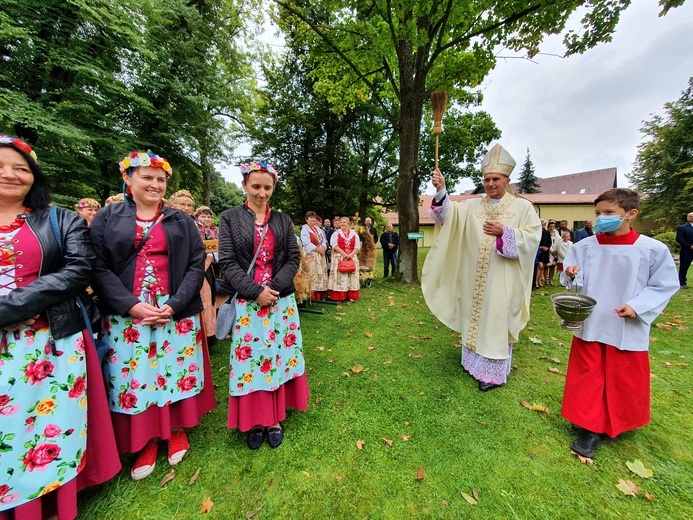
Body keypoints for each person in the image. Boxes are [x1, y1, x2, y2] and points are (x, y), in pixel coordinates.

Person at [0, 136, 120, 520]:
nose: (10, 174)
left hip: (49, 337)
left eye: (21, 167)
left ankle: (56, 496)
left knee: (50, 419)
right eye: (1, 165)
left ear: (34, 175)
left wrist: (14, 305)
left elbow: (78, 268)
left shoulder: (59, 218)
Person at [90, 151, 215, 480]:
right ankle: (145, 438)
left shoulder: (180, 220)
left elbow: (194, 264)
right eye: (147, 177)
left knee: (174, 371)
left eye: (161, 179)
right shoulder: (108, 217)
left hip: (174, 310)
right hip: (127, 313)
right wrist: (129, 304)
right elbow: (97, 266)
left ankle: (174, 430)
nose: (155, 184)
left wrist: (174, 304)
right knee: (136, 373)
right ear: (128, 179)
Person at [560, 188, 679, 459]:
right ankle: (589, 426)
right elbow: (571, 279)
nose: (601, 218)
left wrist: (637, 306)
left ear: (631, 214)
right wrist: (570, 273)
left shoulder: (652, 249)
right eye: (598, 213)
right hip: (592, 320)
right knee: (589, 371)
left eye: (609, 213)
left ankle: (620, 420)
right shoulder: (584, 246)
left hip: (626, 321)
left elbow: (664, 285)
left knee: (622, 374)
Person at [422, 143, 541, 391]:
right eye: (486, 179)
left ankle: (492, 373)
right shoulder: (474, 205)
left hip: (503, 278)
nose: (490, 183)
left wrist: (505, 232)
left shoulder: (523, 207)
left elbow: (532, 239)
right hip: (474, 278)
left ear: (507, 179)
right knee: (475, 317)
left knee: (496, 319)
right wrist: (442, 190)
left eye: (495, 178)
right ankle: (472, 364)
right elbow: (447, 215)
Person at [218, 161, 309, 449]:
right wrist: (256, 291)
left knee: (278, 357)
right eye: (256, 186)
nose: (261, 192)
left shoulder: (283, 220)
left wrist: (275, 288)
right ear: (244, 185)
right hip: (248, 303)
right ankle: (255, 419)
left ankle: (274, 418)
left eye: (267, 187)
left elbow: (293, 258)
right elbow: (228, 262)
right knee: (252, 360)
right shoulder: (229, 219)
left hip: (280, 303)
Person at [194, 205, 219, 345]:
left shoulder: (214, 231)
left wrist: (207, 263)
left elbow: (215, 252)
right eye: (203, 216)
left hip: (207, 269)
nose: (206, 219)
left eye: (208, 216)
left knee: (208, 300)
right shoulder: (193, 230)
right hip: (194, 267)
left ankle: (209, 335)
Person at [328, 216, 361, 302]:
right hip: (339, 257)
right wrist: (344, 254)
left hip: (351, 257)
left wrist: (351, 254)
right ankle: (340, 296)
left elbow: (357, 246)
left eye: (344, 222)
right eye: (341, 222)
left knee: (352, 276)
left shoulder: (354, 234)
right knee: (340, 277)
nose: (342, 224)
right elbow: (334, 245)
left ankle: (351, 295)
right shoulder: (336, 234)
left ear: (348, 224)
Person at [300, 211, 329, 300]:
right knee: (313, 273)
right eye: (311, 218)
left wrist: (323, 247)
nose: (313, 220)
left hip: (320, 254)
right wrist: (317, 249)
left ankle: (322, 294)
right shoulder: (305, 229)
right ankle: (313, 295)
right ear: (306, 219)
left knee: (321, 273)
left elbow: (324, 240)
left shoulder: (318, 229)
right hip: (312, 254)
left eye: (314, 218)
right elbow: (306, 242)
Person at [675, 212, 693, 288]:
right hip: (687, 250)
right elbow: (679, 238)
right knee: (684, 267)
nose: (692, 218)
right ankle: (682, 283)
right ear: (688, 218)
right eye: (691, 216)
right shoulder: (682, 228)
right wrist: (689, 246)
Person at [536, 219, 552, 288]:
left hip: (545, 251)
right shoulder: (536, 232)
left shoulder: (547, 233)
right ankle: (536, 281)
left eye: (543, 225)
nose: (542, 226)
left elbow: (549, 242)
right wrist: (540, 247)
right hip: (538, 251)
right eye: (541, 225)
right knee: (540, 266)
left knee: (543, 267)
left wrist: (547, 248)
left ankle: (540, 281)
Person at [545, 220, 560, 285]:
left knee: (553, 266)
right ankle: (546, 280)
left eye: (553, 226)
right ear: (548, 227)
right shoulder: (546, 233)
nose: (552, 228)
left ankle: (551, 280)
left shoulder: (556, 233)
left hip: (555, 251)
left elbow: (559, 241)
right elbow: (546, 242)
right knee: (547, 266)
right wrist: (551, 250)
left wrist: (556, 250)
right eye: (550, 226)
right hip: (548, 251)